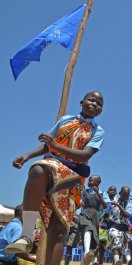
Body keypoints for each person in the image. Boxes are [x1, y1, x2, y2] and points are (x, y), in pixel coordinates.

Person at [5, 91, 105, 265]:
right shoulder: (65, 120)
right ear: (81, 102)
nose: (95, 104)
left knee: (58, 230)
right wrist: (27, 155)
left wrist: (55, 145)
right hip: (54, 165)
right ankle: (27, 234)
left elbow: (84, 155)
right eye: (91, 99)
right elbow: (47, 146)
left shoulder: (98, 131)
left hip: (74, 176)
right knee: (37, 170)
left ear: (101, 111)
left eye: (99, 103)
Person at [79, 175, 107, 265]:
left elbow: (105, 206)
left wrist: (98, 193)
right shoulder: (84, 191)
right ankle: (87, 252)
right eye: (89, 180)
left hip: (95, 216)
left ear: (97, 183)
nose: (89, 182)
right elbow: (81, 203)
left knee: (92, 241)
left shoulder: (102, 193)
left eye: (91, 180)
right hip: (85, 214)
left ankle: (86, 260)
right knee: (88, 228)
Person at [107, 186, 132, 265]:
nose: (125, 197)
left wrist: (118, 205)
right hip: (113, 225)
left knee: (126, 245)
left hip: (124, 227)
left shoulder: (130, 204)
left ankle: (129, 261)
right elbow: (106, 212)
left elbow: (126, 215)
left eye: (127, 195)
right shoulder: (112, 202)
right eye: (124, 195)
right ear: (119, 193)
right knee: (116, 241)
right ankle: (117, 261)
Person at [93, 186, 117, 265]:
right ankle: (94, 259)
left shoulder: (115, 202)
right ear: (108, 191)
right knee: (100, 244)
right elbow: (105, 214)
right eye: (111, 190)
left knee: (103, 247)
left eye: (114, 191)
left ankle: (100, 262)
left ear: (116, 193)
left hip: (109, 226)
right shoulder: (106, 201)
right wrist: (100, 222)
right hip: (102, 225)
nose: (112, 191)